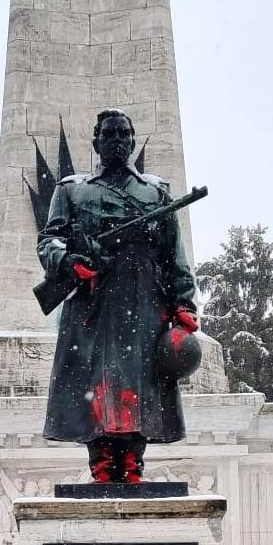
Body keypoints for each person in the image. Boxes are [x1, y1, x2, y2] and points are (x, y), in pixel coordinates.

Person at [38, 108, 200, 484]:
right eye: (109, 135)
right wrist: (69, 262)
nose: (117, 141)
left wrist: (184, 305)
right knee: (95, 381)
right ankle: (100, 461)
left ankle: (132, 462)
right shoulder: (72, 190)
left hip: (145, 300)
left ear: (131, 140)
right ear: (95, 141)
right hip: (94, 301)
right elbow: (49, 240)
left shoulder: (155, 192)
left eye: (124, 135)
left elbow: (174, 255)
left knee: (141, 381)